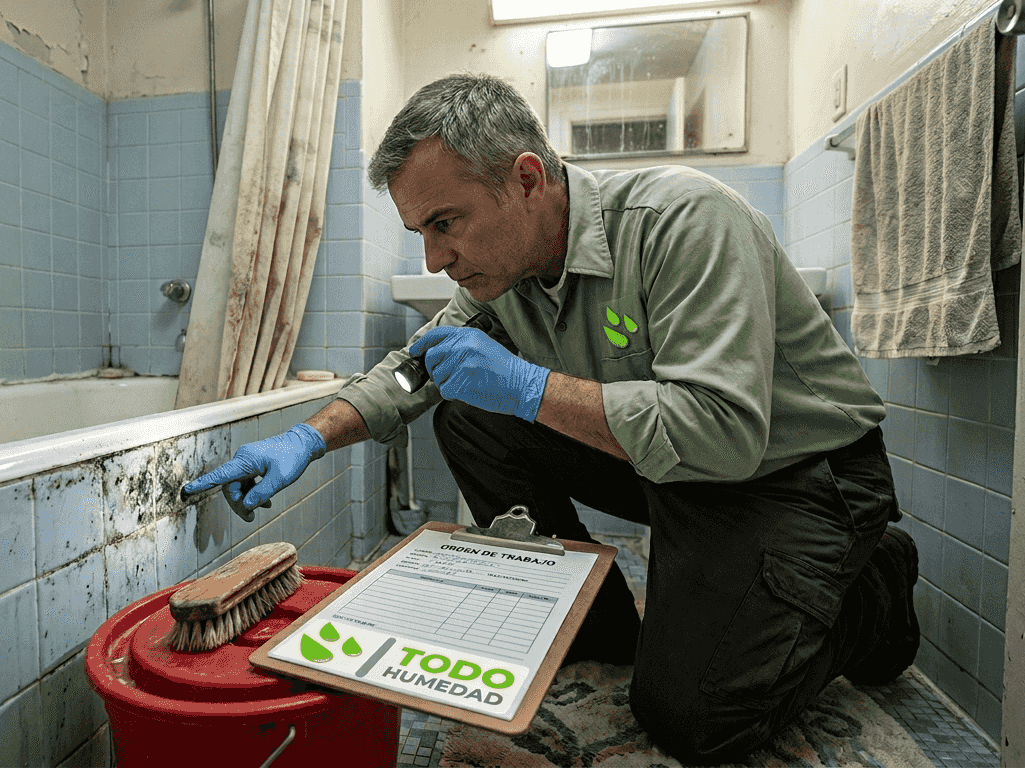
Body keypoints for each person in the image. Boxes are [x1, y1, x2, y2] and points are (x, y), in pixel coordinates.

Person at [184, 73, 919, 761]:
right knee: (468, 416)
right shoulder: (505, 270)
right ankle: (600, 631)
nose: (436, 258)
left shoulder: (682, 223)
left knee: (695, 719)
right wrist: (306, 437)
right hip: (677, 469)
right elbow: (415, 368)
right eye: (421, 234)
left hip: (796, 476)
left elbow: (721, 434)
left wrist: (530, 387)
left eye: (447, 223)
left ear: (527, 179)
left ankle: (875, 587)